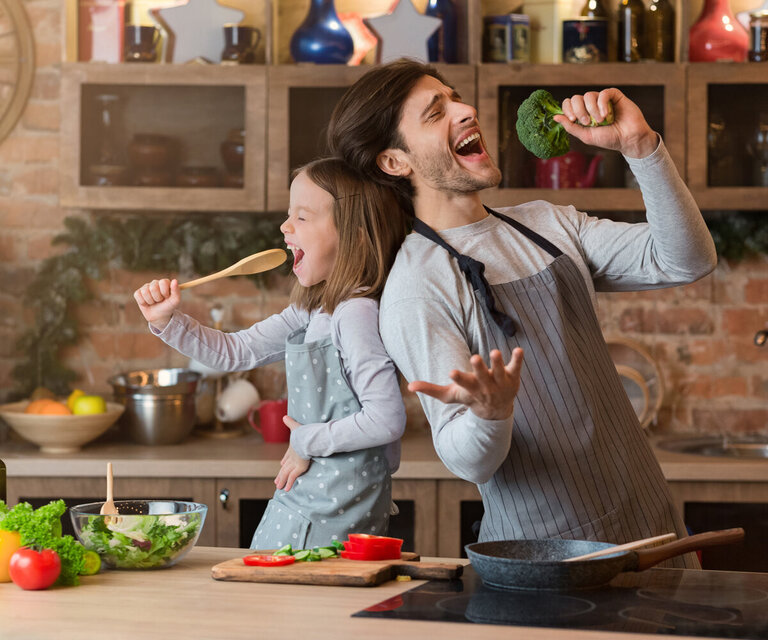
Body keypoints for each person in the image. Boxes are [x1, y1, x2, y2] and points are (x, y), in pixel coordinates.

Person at [327, 59, 717, 567]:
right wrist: (491, 413)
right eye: (436, 111)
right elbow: (468, 460)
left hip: (655, 531)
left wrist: (641, 148)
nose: (467, 111)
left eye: (457, 97)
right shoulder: (418, 287)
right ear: (394, 162)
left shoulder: (546, 224)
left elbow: (687, 260)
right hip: (549, 564)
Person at [133, 157, 408, 549]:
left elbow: (386, 419)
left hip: (335, 511)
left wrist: (305, 442)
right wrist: (168, 320)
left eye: (302, 216)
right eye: (287, 214)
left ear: (353, 237)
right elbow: (235, 351)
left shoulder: (356, 314)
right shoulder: (311, 310)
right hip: (309, 499)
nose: (285, 226)